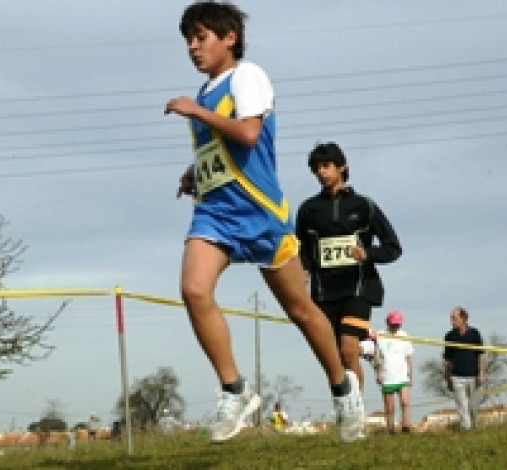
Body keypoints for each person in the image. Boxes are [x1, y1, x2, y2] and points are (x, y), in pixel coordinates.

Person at [164, 1, 364, 443]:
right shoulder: (204, 95)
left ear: (229, 37)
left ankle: (343, 388)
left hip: (262, 215)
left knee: (300, 310)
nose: (193, 48)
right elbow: (222, 151)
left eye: (201, 37)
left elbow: (249, 134)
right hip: (216, 214)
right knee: (194, 289)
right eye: (188, 41)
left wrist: (196, 114)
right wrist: (195, 172)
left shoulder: (247, 76)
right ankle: (234, 389)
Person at [295, 141, 402, 391]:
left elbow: (393, 247)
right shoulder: (308, 210)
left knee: (348, 348)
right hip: (323, 293)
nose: (321, 172)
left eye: (326, 166)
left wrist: (367, 253)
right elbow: (300, 249)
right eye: (316, 169)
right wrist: (302, 270)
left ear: (342, 167)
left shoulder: (364, 206)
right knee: (336, 358)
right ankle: (346, 407)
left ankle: (357, 414)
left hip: (358, 289)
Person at [361, 310, 414, 434]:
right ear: (388, 323)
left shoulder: (405, 336)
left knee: (405, 402)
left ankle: (406, 427)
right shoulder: (380, 335)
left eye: (398, 324)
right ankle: (390, 430)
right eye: (393, 324)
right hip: (387, 376)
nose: (395, 327)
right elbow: (372, 350)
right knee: (390, 407)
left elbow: (408, 357)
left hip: (402, 375)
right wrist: (377, 373)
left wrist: (410, 374)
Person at [443, 306, 486, 430]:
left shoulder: (474, 334)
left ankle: (473, 428)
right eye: (451, 318)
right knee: (462, 406)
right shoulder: (449, 336)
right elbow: (447, 359)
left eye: (454, 318)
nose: (452, 321)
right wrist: (447, 379)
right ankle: (465, 430)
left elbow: (481, 355)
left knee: (473, 407)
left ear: (463, 319)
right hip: (457, 376)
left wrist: (481, 373)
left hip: (473, 375)